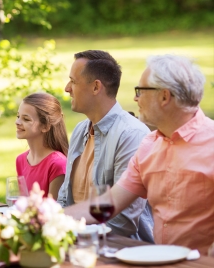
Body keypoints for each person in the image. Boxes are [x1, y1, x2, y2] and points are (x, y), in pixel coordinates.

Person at [64, 55, 214, 254]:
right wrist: (47, 219)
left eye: (140, 91)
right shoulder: (149, 146)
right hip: (159, 260)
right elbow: (109, 203)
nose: (135, 98)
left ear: (164, 96)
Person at [57, 50, 154, 242]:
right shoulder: (79, 130)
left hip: (121, 250)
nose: (67, 88)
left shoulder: (132, 134)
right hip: (76, 241)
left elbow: (123, 222)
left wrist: (60, 225)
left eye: (73, 81)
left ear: (95, 87)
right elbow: (63, 201)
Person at [15, 93, 68, 198]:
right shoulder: (20, 160)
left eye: (26, 119)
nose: (17, 122)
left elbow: (53, 209)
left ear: (45, 126)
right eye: (18, 116)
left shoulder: (57, 164)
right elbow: (23, 203)